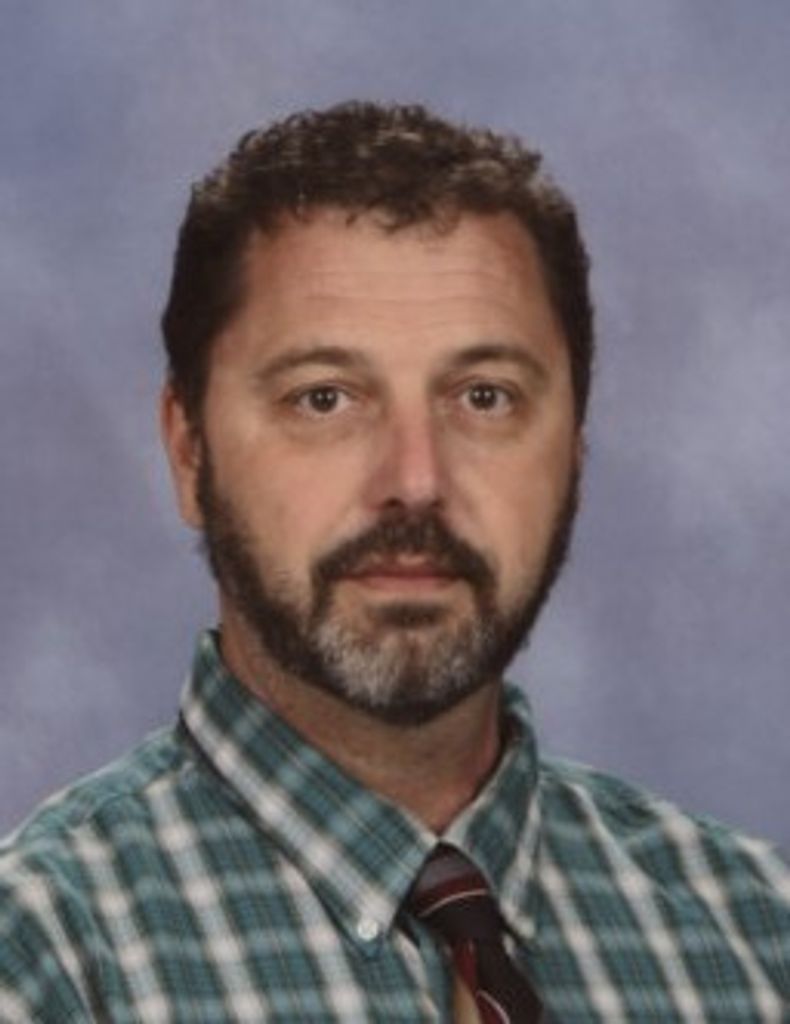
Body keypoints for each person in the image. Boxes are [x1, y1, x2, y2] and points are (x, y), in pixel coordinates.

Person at [0, 101, 788, 1024]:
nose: (415, 482)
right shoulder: (44, 958)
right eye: (324, 398)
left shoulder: (759, 934)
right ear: (188, 449)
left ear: (574, 447)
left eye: (484, 397)